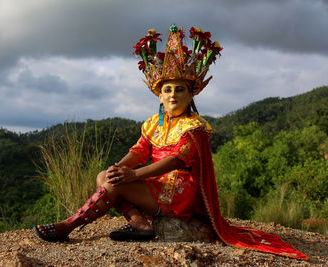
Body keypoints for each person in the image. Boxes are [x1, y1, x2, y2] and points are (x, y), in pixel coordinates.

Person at [34, 25, 309, 261]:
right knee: (104, 175)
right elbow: (139, 150)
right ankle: (139, 223)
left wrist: (133, 174)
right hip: (154, 183)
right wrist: (119, 168)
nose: (173, 94)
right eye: (168, 90)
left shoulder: (195, 126)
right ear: (160, 95)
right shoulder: (154, 123)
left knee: (113, 184)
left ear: (191, 95)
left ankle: (68, 226)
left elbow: (176, 160)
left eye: (180, 89)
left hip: (179, 190)